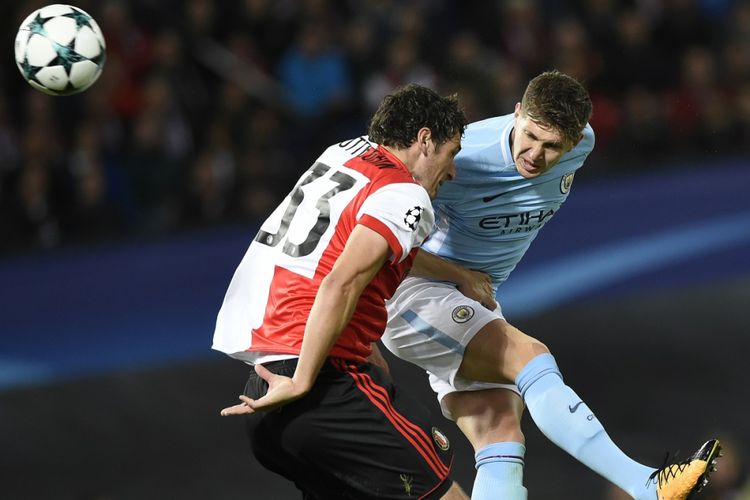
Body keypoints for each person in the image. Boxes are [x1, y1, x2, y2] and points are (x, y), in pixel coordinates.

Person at [382, 70, 721, 500]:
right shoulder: (462, 156)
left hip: (471, 301)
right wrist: (459, 274)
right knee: (531, 358)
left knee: (500, 430)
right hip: (418, 294)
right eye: (530, 136)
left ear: (575, 139)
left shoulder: (584, 144)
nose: (536, 156)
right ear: (518, 112)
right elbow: (390, 238)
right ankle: (645, 484)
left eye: (552, 146)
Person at [213, 83, 470, 499]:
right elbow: (342, 280)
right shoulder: (408, 194)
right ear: (425, 139)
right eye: (452, 152)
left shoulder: (343, 154)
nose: (453, 170)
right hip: (319, 386)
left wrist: (453, 272)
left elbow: (340, 253)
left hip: (265, 390)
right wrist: (303, 380)